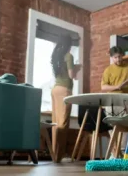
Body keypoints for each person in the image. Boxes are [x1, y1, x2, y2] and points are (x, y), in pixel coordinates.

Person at [101, 46, 128, 156]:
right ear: (111, 58)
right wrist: (117, 86)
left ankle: (124, 153)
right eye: (115, 57)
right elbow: (103, 87)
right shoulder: (108, 70)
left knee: (126, 127)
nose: (118, 59)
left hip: (127, 100)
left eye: (119, 57)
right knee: (112, 126)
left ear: (122, 55)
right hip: (112, 101)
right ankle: (115, 153)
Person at [50, 34, 81, 163]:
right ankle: (59, 156)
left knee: (55, 122)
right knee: (63, 123)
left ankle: (54, 153)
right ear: (69, 45)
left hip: (55, 89)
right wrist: (77, 68)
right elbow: (71, 75)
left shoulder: (56, 56)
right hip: (65, 90)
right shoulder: (69, 56)